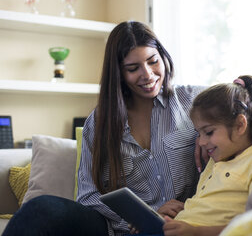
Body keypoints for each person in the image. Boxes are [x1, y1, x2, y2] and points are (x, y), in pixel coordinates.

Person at [3, 21, 205, 236]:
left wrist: (208, 134)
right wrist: (148, 214)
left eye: (153, 61)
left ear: (163, 58)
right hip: (121, 230)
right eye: (133, 68)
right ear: (118, 73)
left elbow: (239, 99)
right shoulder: (99, 122)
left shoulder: (194, 101)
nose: (147, 74)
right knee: (40, 208)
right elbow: (87, 196)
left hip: (181, 225)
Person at [162, 75, 252, 236]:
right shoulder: (215, 162)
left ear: (240, 125)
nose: (202, 142)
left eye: (209, 132)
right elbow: (214, 208)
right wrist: (180, 211)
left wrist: (196, 232)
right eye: (199, 133)